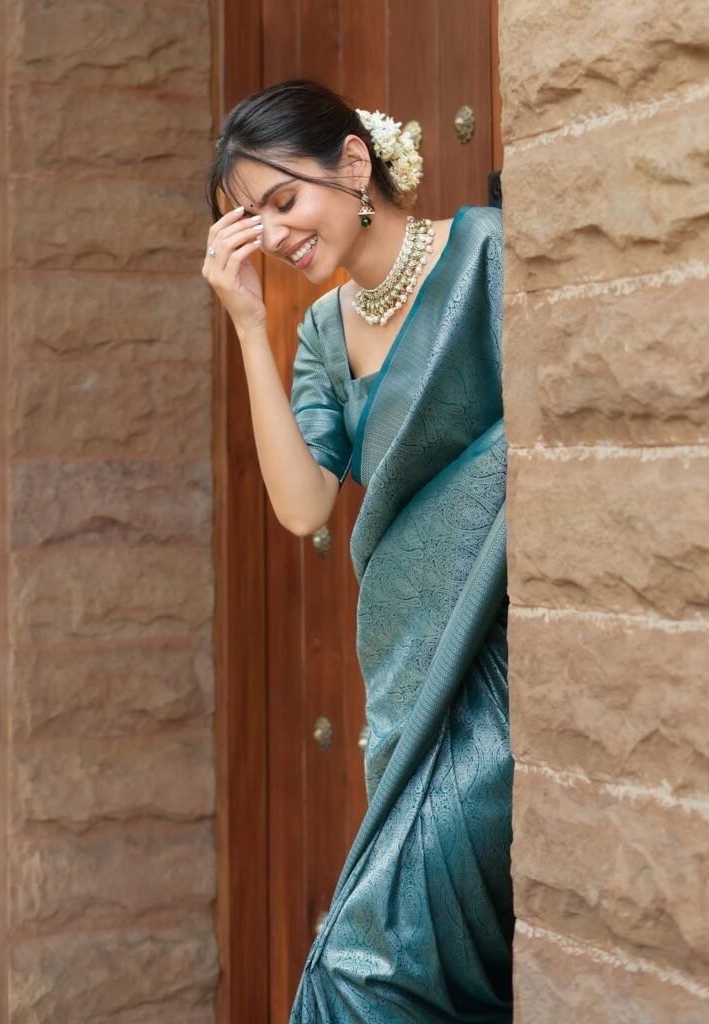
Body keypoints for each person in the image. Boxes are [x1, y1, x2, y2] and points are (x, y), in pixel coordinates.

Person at [204, 79, 514, 1024]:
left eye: (282, 200)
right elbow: (302, 506)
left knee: (365, 973)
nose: (274, 235)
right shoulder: (322, 333)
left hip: (498, 676)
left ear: (351, 162)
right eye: (251, 221)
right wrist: (249, 323)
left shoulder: (486, 256)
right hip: (405, 676)